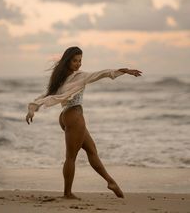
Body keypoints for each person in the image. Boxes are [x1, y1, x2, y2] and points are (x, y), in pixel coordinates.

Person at [25, 46, 142, 199]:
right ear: (67, 60)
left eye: (80, 61)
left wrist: (33, 107)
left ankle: (110, 181)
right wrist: (123, 71)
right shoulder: (77, 77)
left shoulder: (60, 79)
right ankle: (67, 193)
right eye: (75, 61)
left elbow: (47, 95)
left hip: (67, 116)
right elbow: (100, 74)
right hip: (74, 117)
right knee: (71, 158)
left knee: (92, 150)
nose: (78, 64)